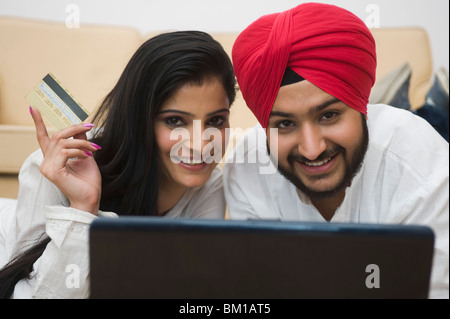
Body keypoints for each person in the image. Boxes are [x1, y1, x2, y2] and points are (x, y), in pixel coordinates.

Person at [224, 3, 449, 298]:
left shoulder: (421, 168)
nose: (312, 149)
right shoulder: (246, 169)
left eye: (328, 115)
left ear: (362, 108)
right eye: (285, 124)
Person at [0, 30, 236, 298]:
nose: (200, 146)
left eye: (216, 121)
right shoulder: (59, 167)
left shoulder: (210, 184)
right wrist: (83, 208)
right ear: (139, 120)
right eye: (175, 121)